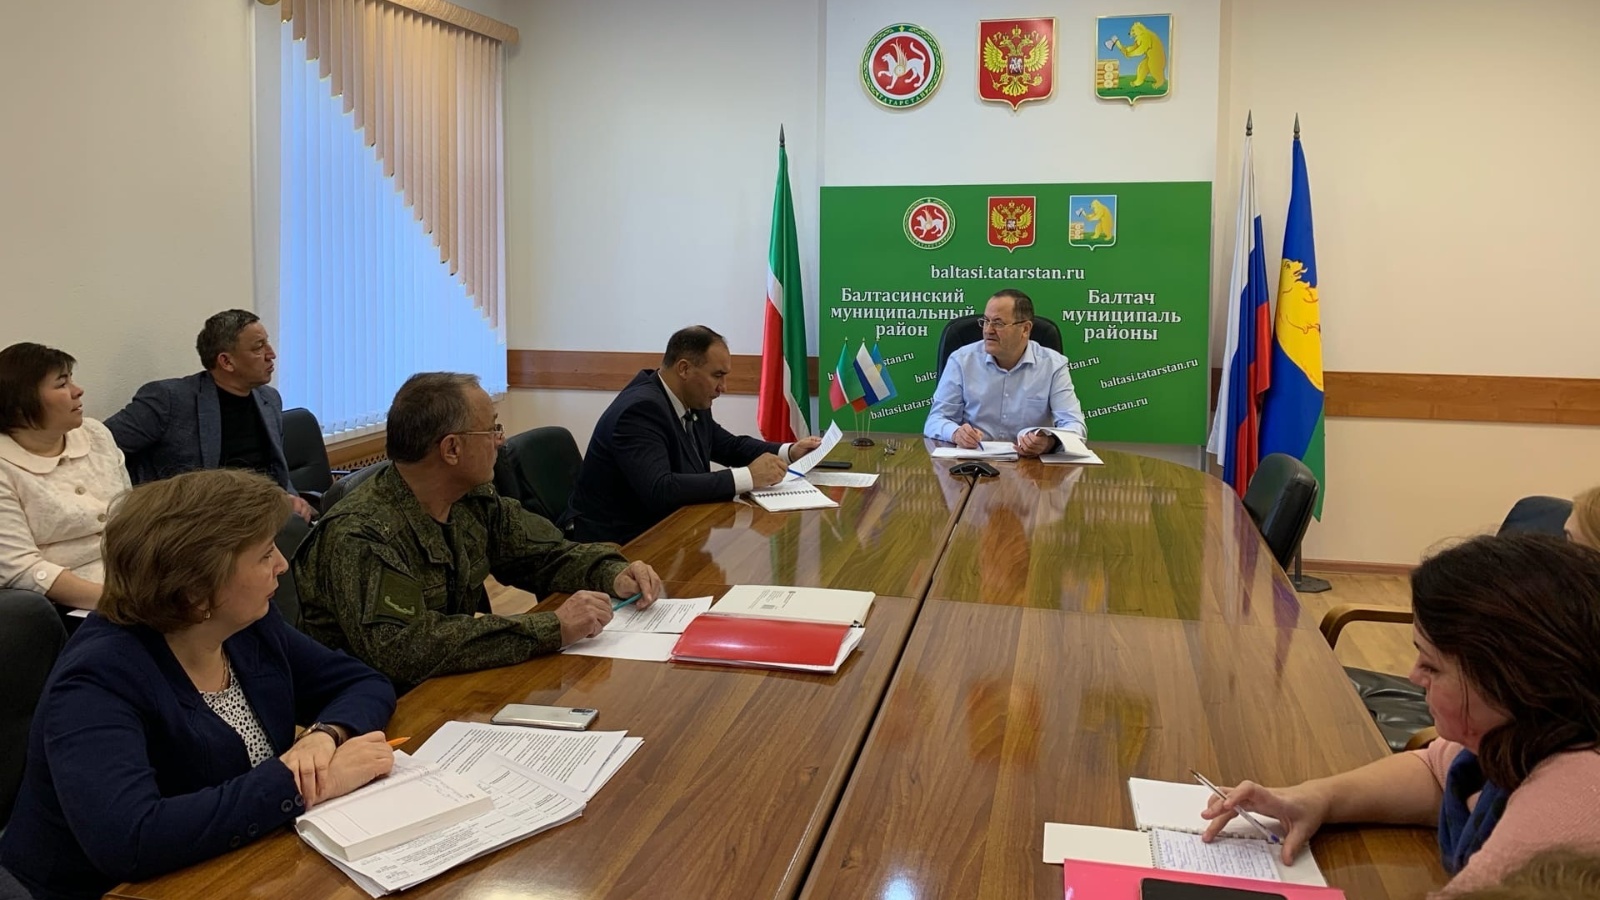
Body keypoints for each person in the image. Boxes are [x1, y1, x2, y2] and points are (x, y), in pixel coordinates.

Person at [0, 469, 397, 900]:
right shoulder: (97, 678)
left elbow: (364, 683)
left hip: (243, 861)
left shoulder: (247, 626)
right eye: (265, 555)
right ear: (195, 590)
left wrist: (324, 735)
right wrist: (305, 783)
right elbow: (132, 838)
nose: (282, 565)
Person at [1199, 534, 1600, 896]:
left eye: (1432, 666)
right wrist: (1315, 797)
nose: (1414, 676)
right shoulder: (1532, 732)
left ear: (1512, 683)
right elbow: (1435, 771)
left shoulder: (1564, 811)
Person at [294, 372, 664, 693]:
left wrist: (612, 572)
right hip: (373, 713)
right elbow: (406, 651)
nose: (500, 440)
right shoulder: (361, 534)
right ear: (452, 449)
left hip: (448, 688)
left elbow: (544, 554)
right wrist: (552, 627)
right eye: (492, 429)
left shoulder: (470, 499)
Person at [561, 326, 822, 544]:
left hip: (669, 531)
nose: (723, 387)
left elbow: (728, 446)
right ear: (684, 369)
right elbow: (660, 489)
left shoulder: (690, 400)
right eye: (717, 376)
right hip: (618, 543)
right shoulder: (640, 411)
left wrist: (789, 451)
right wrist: (749, 477)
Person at [105, 309, 314, 522]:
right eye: (258, 347)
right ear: (226, 362)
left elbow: (276, 471)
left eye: (267, 343)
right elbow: (99, 447)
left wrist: (290, 498)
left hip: (263, 513)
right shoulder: (169, 399)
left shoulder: (269, 399)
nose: (271, 354)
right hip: (198, 522)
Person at [0, 343, 130, 610]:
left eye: (71, 379)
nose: (77, 390)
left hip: (136, 577)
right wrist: (123, 603)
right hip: (65, 604)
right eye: (62, 384)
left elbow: (132, 517)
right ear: (21, 403)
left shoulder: (95, 434)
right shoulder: (5, 466)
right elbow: (20, 568)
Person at [924, 289, 1085, 456]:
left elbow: (1075, 425)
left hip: (1031, 466)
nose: (988, 330)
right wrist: (956, 433)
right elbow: (935, 420)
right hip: (974, 461)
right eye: (986, 321)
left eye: (998, 323)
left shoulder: (1053, 366)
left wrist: (1050, 443)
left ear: (1025, 329)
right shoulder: (961, 360)